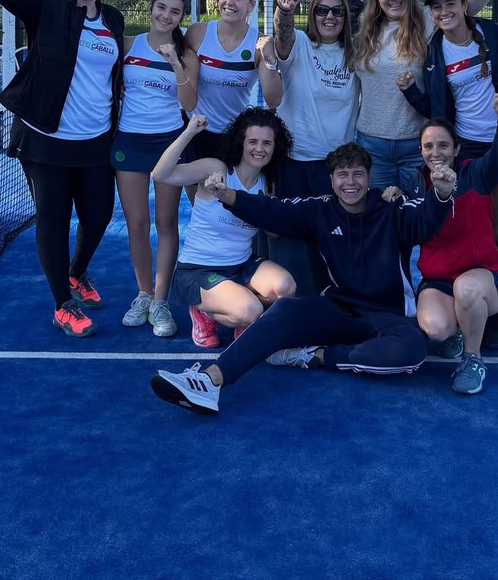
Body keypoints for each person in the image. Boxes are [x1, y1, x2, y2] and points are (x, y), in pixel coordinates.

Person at [150, 140, 460, 415]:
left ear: (369, 178)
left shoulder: (394, 208)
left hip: (388, 317)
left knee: (412, 351)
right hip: (339, 310)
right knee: (287, 308)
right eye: (342, 175)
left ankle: (315, 356)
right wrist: (227, 195)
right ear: (331, 180)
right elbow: (272, 210)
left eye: (358, 174)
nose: (350, 182)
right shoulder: (320, 209)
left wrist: (442, 193)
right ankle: (209, 381)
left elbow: (425, 220)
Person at [0, 0, 124, 337]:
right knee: (52, 221)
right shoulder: (46, 6)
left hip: (96, 142)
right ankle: (63, 305)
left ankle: (76, 273)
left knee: (98, 217)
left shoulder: (114, 20)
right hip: (44, 140)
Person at [396, 0, 498, 346]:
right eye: (436, 7)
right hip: (466, 149)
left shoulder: (492, 34)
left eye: (450, 3)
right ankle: (458, 302)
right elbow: (438, 108)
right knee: (461, 228)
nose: (444, 11)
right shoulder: (435, 51)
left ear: (464, 5)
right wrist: (411, 93)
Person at [383, 96, 498, 396]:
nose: (436, 152)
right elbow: (410, 226)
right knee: (435, 328)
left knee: (466, 289)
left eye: (443, 145)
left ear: (456, 149)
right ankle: (457, 328)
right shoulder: (414, 183)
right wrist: (393, 196)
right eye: (428, 146)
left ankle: (473, 358)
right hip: (438, 279)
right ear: (421, 151)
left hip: (480, 277)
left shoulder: (475, 174)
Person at [353, 0, 491, 193]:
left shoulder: (428, 21)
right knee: (376, 211)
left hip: (417, 145)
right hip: (372, 143)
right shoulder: (364, 34)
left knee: (418, 213)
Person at [151, 107, 296, 349]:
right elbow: (160, 174)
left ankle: (240, 316)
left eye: (267, 143)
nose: (259, 149)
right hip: (198, 269)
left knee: (285, 287)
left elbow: (273, 231)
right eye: (252, 142)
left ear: (275, 147)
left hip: (241, 265)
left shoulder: (267, 183)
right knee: (250, 310)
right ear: (240, 142)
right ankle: (204, 312)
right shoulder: (216, 169)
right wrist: (189, 132)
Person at [112, 0, 198, 338]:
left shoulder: (186, 54)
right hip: (129, 143)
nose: (166, 15)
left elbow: (189, 103)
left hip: (168, 145)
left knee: (166, 223)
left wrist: (175, 62)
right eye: (161, 7)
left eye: (175, 11)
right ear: (151, 9)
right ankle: (144, 294)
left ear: (181, 18)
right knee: (136, 224)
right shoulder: (128, 45)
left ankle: (161, 301)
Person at [271, 0, 360, 294]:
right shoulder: (300, 45)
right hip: (294, 161)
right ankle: (293, 303)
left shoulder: (355, 53)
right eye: (322, 10)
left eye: (337, 11)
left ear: (346, 17)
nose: (329, 17)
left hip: (334, 166)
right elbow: (282, 34)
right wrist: (284, 11)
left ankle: (331, 300)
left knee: (333, 241)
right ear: (312, 14)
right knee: (293, 240)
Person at [183, 0, 282, 162]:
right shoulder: (197, 33)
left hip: (233, 133)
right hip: (193, 128)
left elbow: (273, 101)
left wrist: (271, 61)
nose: (229, 2)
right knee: (193, 184)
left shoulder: (259, 44)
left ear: (251, 5)